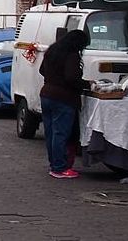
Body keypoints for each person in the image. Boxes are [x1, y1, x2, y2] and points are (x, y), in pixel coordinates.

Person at [39, 29, 92, 179]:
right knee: (60, 133)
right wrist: (87, 84)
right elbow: (71, 77)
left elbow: (42, 70)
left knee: (50, 133)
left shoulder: (52, 51)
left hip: (46, 95)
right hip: (64, 98)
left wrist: (53, 78)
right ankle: (60, 168)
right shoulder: (72, 55)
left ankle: (54, 165)